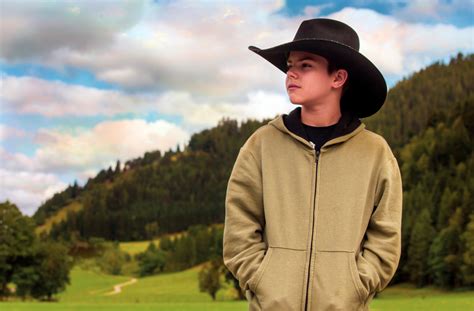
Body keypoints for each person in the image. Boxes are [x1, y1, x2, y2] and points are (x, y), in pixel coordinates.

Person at [223, 18, 403, 311]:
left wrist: (357, 284)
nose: (291, 73)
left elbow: (386, 234)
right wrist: (263, 279)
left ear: (338, 78)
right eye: (290, 65)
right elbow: (239, 227)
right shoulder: (262, 145)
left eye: (305, 65)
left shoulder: (375, 153)